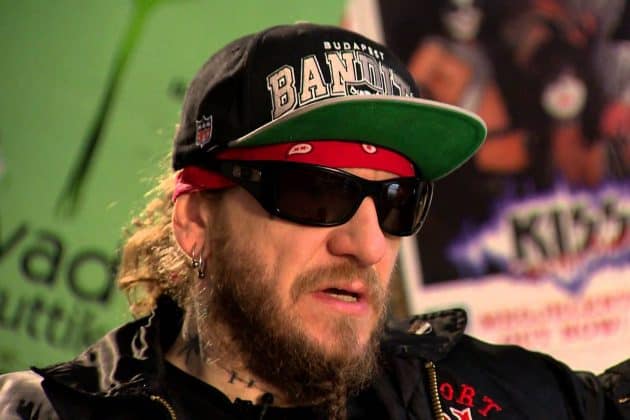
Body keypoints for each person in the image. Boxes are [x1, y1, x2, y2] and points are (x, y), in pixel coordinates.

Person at [0, 22, 628, 420]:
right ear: (195, 222)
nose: (368, 242)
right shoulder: (41, 412)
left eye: (396, 199)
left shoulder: (470, 395)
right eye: (316, 193)